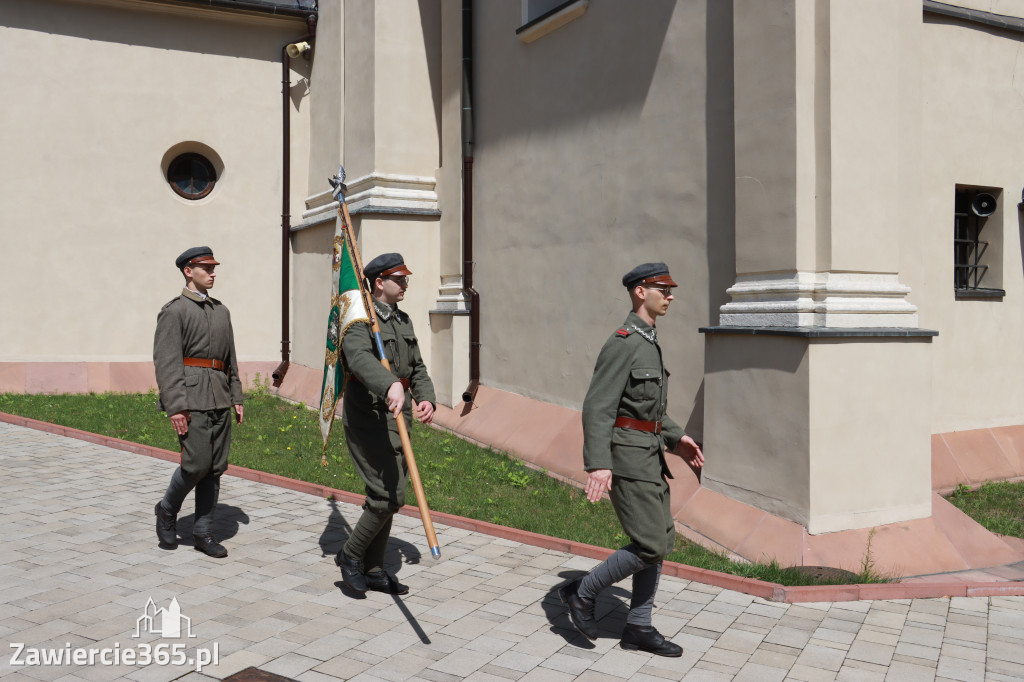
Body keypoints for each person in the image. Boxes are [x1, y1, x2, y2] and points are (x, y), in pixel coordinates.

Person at [560, 262, 704, 657]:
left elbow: (648, 410)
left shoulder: (649, 341)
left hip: (650, 456)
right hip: (626, 459)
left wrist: (678, 438)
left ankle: (637, 627)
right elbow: (598, 408)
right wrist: (598, 463)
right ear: (641, 292)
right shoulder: (622, 343)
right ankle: (582, 593)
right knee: (651, 542)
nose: (671, 295)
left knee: (659, 540)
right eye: (663, 289)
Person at [335, 252, 436, 595]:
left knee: (391, 492)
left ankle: (375, 568)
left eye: (406, 278)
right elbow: (359, 357)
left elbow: (417, 367)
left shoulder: (402, 321)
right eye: (399, 279)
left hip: (398, 414)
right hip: (370, 414)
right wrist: (388, 382)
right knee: (386, 493)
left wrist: (425, 397)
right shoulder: (360, 319)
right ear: (379, 283)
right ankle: (350, 556)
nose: (405, 283)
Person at [153, 247, 244, 558]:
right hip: (191, 399)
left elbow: (229, 358)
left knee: (215, 468)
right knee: (194, 466)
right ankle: (166, 510)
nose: (212, 272)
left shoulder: (222, 312)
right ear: (188, 271)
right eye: (205, 267)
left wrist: (236, 396)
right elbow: (167, 362)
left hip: (219, 396)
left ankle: (203, 533)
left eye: (213, 267)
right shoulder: (174, 311)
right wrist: (175, 405)